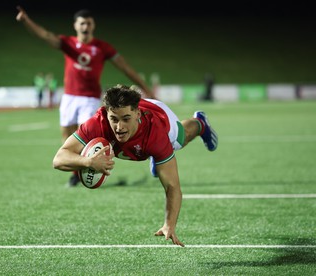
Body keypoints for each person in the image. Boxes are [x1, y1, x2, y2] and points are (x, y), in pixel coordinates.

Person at [53, 84, 218, 247]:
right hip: (142, 135)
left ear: (137, 114)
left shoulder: (156, 134)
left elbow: (172, 186)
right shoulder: (97, 123)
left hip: (159, 115)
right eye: (114, 119)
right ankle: (156, 158)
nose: (119, 127)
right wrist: (88, 162)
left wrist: (169, 224)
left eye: (126, 119)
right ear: (106, 113)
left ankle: (200, 123)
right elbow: (59, 159)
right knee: (157, 154)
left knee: (181, 139)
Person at [16, 7, 155, 186]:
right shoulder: (68, 43)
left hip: (89, 98)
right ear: (75, 25)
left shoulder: (102, 47)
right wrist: (26, 21)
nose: (85, 26)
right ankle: (76, 174)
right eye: (82, 23)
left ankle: (96, 169)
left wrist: (146, 88)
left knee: (87, 136)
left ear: (93, 25)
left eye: (88, 23)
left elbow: (125, 67)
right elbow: (45, 35)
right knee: (67, 136)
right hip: (69, 97)